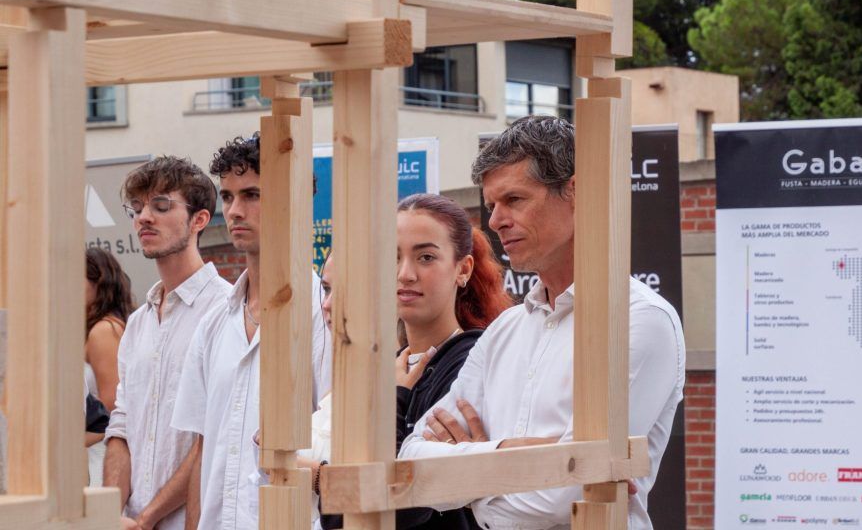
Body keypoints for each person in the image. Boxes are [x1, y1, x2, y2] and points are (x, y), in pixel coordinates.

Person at [397, 116, 686, 529]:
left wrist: (469, 477)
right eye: (492, 204)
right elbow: (411, 463)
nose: (495, 220)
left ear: (576, 192)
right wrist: (513, 451)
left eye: (514, 199)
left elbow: (558, 500)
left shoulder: (640, 320)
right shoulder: (505, 330)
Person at [318, 193, 512, 530]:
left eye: (425, 257)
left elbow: (399, 505)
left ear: (462, 269)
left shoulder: (474, 362)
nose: (405, 274)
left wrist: (394, 399)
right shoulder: (385, 370)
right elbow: (336, 514)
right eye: (393, 258)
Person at [172, 133, 331, 530]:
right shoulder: (213, 324)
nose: (235, 210)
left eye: (252, 195)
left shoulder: (323, 314)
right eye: (227, 197)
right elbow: (203, 451)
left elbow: (338, 442)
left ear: (295, 200)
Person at [103, 156, 232, 530]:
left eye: (161, 205)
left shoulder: (226, 311)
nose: (144, 217)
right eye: (138, 207)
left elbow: (212, 436)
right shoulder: (139, 322)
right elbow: (122, 424)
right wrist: (112, 515)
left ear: (199, 220)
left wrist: (147, 519)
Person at [84, 247, 135, 486]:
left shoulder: (103, 330)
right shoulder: (111, 325)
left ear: (99, 282)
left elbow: (111, 404)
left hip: (99, 451)